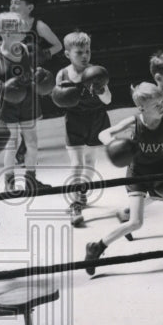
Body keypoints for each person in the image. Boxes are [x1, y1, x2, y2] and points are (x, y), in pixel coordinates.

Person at [86, 83, 163, 275]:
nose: (161, 106)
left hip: (161, 171)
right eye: (156, 104)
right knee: (136, 222)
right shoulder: (133, 123)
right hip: (138, 174)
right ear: (142, 108)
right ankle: (97, 247)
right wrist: (115, 145)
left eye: (161, 102)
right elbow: (103, 133)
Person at [0, 12, 53, 195]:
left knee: (32, 142)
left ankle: (31, 180)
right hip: (8, 104)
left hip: (28, 101)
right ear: (6, 33)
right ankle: (10, 182)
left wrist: (37, 74)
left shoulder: (26, 49)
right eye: (19, 30)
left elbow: (29, 70)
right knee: (11, 144)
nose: (23, 32)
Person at [54, 31, 112, 227]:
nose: (85, 55)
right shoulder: (62, 74)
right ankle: (74, 203)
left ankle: (81, 190)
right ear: (68, 54)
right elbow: (58, 100)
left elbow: (108, 100)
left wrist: (101, 90)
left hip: (97, 119)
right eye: (79, 52)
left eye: (87, 51)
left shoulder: (97, 72)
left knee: (90, 163)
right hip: (75, 120)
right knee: (77, 163)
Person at [9, 0, 63, 165]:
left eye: (17, 2)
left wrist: (44, 54)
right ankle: (22, 148)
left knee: (28, 114)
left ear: (29, 7)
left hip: (33, 75)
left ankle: (24, 149)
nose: (12, 5)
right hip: (14, 73)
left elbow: (58, 45)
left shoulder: (39, 25)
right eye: (11, 2)